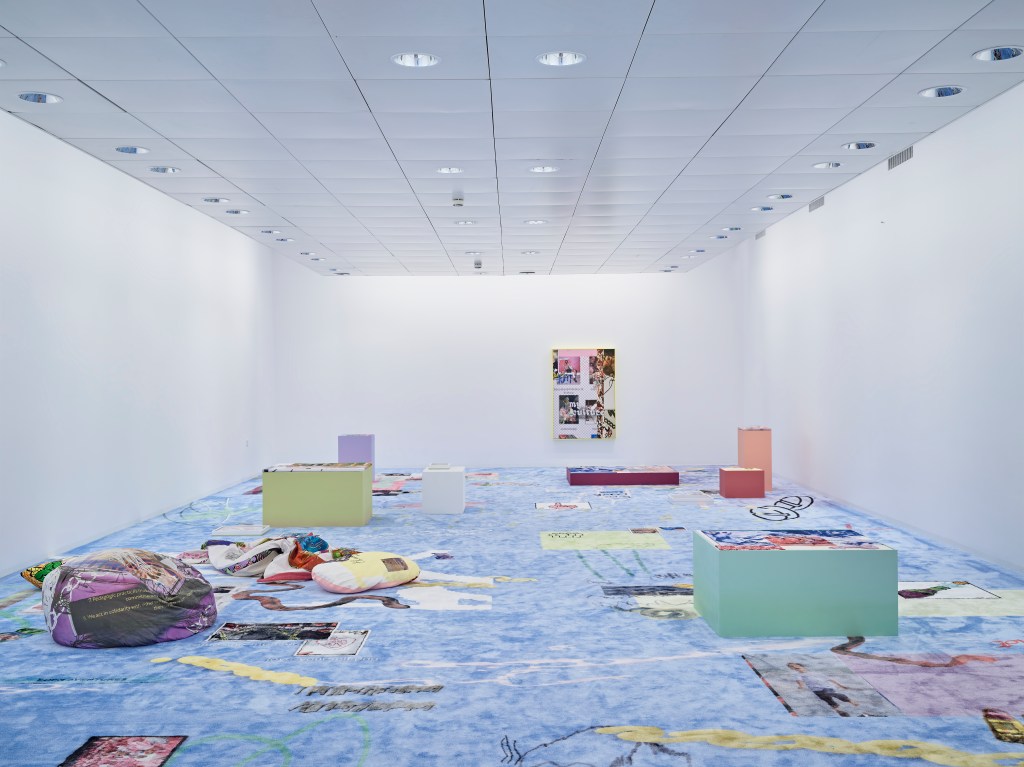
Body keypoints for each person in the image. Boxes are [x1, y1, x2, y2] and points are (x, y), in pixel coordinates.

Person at [787, 662, 860, 716]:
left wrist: (841, 685)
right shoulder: (798, 675)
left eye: (797, 666)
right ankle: (839, 711)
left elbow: (829, 679)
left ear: (802, 666)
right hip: (816, 690)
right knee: (828, 700)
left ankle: (850, 700)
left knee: (829, 693)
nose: (796, 668)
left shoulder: (815, 673)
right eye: (793, 668)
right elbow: (800, 682)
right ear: (793, 669)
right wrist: (801, 687)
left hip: (826, 687)